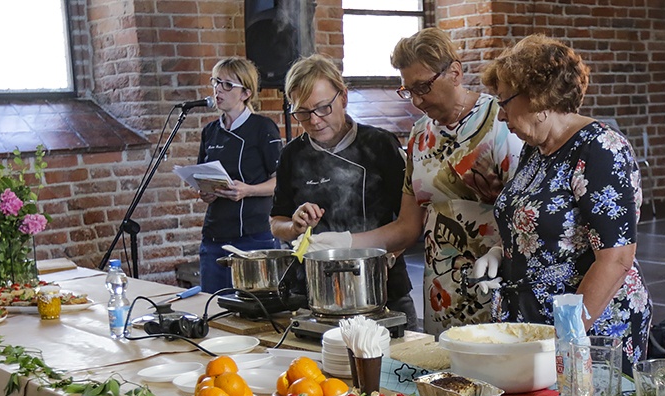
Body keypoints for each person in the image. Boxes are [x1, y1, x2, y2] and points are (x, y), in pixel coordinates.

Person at [302, 28, 522, 336]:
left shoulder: (500, 121)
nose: (417, 100)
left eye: (423, 87)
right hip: (440, 288)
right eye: (408, 90)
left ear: (454, 73)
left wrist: (502, 251)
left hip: (493, 278)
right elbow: (407, 227)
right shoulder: (420, 135)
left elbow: (526, 212)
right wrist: (347, 243)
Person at [476, 34, 652, 375]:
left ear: (537, 96)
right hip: (536, 325)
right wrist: (501, 253)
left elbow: (615, 260)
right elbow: (541, 224)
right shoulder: (536, 149)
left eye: (504, 102)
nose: (500, 116)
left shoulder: (600, 149)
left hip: (592, 330)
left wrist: (566, 339)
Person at [269, 54, 417, 327]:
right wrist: (294, 225)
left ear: (343, 98)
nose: (314, 120)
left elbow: (410, 222)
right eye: (302, 113)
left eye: (323, 108)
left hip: (384, 291)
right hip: (317, 295)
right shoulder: (292, 155)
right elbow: (276, 223)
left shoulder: (380, 145)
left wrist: (391, 254)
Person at [197, 57, 282, 293]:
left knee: (252, 309)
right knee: (212, 307)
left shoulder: (262, 128)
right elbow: (202, 175)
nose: (218, 89)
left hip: (254, 235)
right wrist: (206, 192)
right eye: (216, 82)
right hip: (215, 235)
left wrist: (248, 190)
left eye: (227, 85)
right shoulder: (210, 132)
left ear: (245, 93)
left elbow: (282, 183)